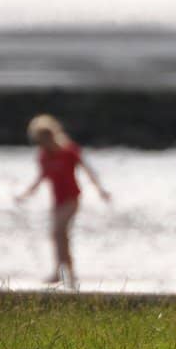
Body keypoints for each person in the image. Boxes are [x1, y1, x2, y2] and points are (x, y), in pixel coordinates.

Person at [15, 114, 110, 289]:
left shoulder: (69, 151)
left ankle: (65, 271)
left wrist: (100, 190)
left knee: (58, 231)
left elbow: (88, 170)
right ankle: (64, 271)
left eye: (44, 140)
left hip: (72, 198)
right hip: (57, 201)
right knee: (60, 235)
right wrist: (26, 194)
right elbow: (41, 177)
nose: (43, 145)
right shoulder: (44, 156)